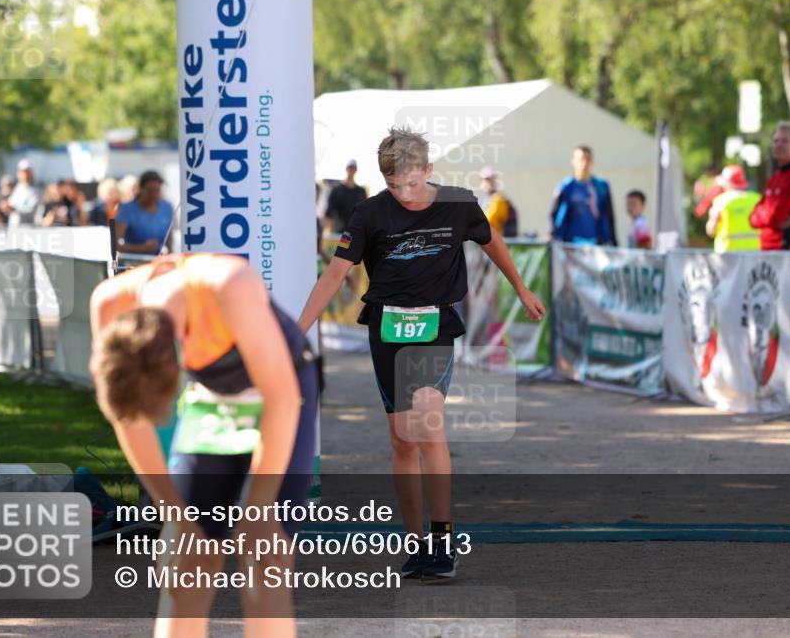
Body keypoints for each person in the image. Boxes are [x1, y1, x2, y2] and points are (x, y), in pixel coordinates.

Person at [296, 127, 546, 581]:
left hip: (435, 325)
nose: (405, 194)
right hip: (386, 329)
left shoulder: (458, 204)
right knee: (402, 440)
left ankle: (442, 538)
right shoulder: (368, 214)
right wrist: (297, 332)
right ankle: (416, 544)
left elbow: (494, 244)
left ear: (429, 171)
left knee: (428, 421)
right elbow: (334, 275)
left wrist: (523, 289)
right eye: (394, 186)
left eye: (412, 184)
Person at [89, 252, 317, 638]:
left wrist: (257, 512)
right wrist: (175, 515)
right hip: (213, 397)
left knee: (264, 559)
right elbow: (128, 419)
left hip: (283, 392)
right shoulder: (109, 302)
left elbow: (281, 398)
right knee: (185, 562)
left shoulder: (228, 284)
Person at [749, 123, 790, 251]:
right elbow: (752, 218)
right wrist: (768, 218)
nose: (778, 145)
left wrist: (764, 216)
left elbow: (774, 216)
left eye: (785, 141)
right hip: (767, 252)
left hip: (787, 253)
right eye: (776, 141)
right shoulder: (776, 176)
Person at [549, 145, 616, 245]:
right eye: (581, 159)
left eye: (588, 159)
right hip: (570, 244)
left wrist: (613, 240)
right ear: (573, 162)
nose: (584, 163)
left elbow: (610, 215)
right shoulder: (565, 187)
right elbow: (553, 213)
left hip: (597, 244)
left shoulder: (602, 186)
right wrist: (552, 234)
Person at [114, 170, 175, 255]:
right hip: (133, 262)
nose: (153, 195)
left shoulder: (167, 207)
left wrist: (170, 254)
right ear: (141, 189)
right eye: (149, 191)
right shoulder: (127, 209)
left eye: (156, 191)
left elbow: (169, 238)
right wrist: (142, 248)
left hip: (158, 261)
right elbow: (115, 244)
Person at [704, 165, 761, 252]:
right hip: (754, 252)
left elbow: (711, 230)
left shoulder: (721, 201)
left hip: (728, 254)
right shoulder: (757, 199)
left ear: (726, 182)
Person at [323, 159, 367, 235]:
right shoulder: (337, 190)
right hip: (339, 231)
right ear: (346, 169)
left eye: (353, 168)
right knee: (343, 245)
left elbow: (365, 212)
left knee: (348, 245)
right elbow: (329, 212)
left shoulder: (361, 191)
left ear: (356, 170)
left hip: (355, 231)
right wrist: (329, 230)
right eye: (350, 168)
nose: (351, 170)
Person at [477, 166, 518, 238]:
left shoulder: (498, 199)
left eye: (488, 179)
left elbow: (489, 221)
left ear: (494, 180)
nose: (486, 182)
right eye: (484, 180)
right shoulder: (484, 199)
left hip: (496, 241)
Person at [7, 159, 40, 226]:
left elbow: (30, 211)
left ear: (31, 173)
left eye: (26, 172)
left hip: (27, 230)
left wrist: (14, 209)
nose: (24, 175)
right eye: (22, 172)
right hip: (15, 228)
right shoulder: (17, 189)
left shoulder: (36, 190)